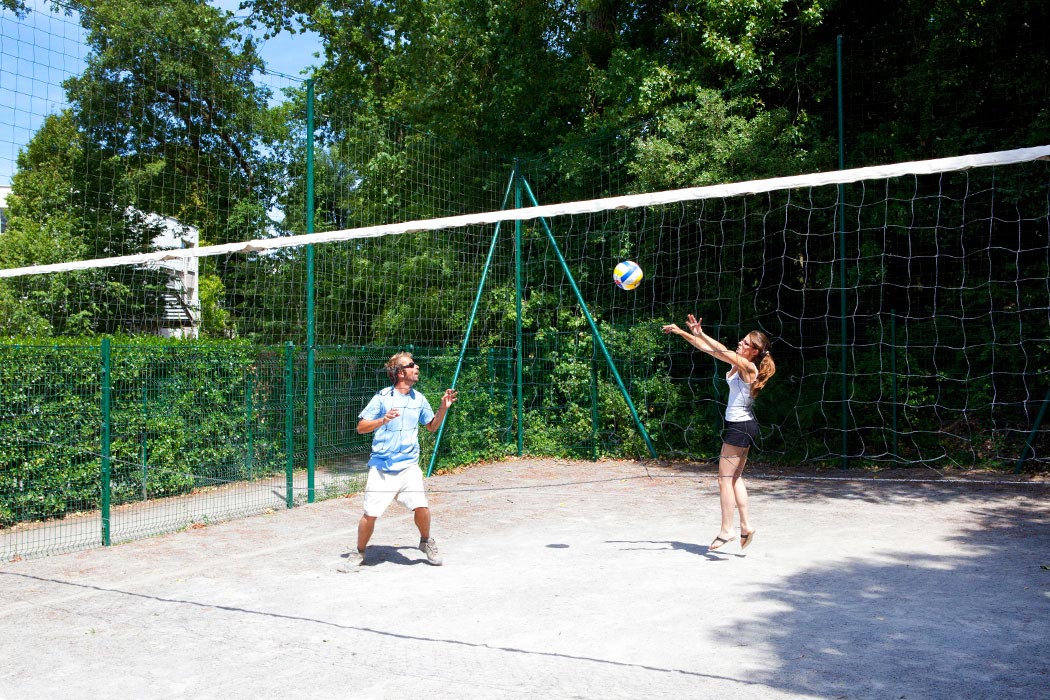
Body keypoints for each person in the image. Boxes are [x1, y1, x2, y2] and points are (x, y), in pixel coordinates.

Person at [662, 314, 775, 552]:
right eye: (742, 341)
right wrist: (684, 333)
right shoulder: (737, 363)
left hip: (739, 428)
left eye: (746, 343)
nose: (741, 343)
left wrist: (701, 332)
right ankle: (745, 526)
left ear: (754, 351)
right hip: (745, 427)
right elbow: (709, 349)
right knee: (734, 478)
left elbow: (720, 348)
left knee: (723, 479)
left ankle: (727, 529)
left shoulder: (748, 366)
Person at [339, 351, 457, 570]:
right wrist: (382, 420)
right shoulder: (382, 397)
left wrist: (443, 407)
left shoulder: (419, 399)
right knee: (370, 514)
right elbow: (361, 427)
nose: (417, 367)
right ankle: (359, 552)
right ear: (400, 372)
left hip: (409, 466)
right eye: (412, 365)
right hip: (382, 467)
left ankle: (425, 542)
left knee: (422, 507)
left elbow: (431, 426)